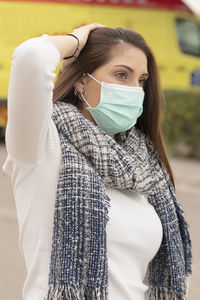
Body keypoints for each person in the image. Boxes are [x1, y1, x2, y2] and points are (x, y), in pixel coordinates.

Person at [2, 23, 192, 300]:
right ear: (82, 80)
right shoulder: (42, 147)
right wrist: (76, 41)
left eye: (141, 80)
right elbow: (31, 57)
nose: (134, 90)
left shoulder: (145, 168)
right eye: (121, 75)